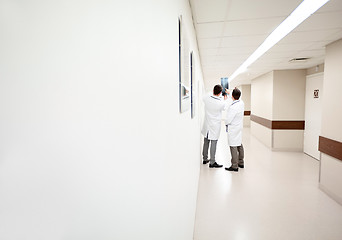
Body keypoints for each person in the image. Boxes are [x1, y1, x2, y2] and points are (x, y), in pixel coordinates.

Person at [201, 85, 229, 168]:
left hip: (207, 124)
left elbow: (207, 95)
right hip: (215, 126)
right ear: (220, 93)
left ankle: (205, 158)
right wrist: (227, 95)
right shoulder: (221, 103)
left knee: (206, 142)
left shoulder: (207, 97)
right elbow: (226, 106)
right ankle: (212, 162)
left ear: (213, 90)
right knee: (213, 143)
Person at [225, 88, 245, 172]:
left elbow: (228, 120)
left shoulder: (233, 107)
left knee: (233, 146)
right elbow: (237, 98)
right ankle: (241, 162)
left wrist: (225, 122)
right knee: (239, 144)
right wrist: (230, 93)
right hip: (239, 127)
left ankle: (234, 166)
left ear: (232, 96)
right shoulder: (241, 103)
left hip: (233, 128)